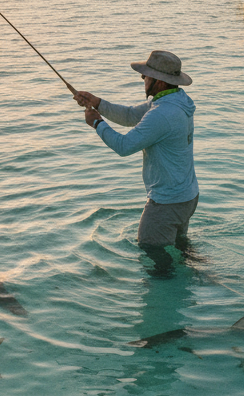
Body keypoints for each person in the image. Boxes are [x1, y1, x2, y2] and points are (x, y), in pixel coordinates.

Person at [73, 50, 199, 260]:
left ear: (158, 81)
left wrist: (97, 123)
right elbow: (131, 115)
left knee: (153, 256)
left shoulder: (162, 114)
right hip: (186, 197)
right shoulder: (175, 100)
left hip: (167, 203)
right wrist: (97, 103)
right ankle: (211, 281)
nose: (142, 78)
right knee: (183, 255)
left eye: (146, 75)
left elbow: (124, 146)